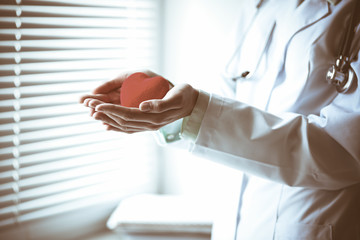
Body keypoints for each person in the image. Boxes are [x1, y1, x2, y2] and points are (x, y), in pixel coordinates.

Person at [80, 0, 360, 239]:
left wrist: (198, 110)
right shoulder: (259, 8)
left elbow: (343, 150)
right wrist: (167, 102)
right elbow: (227, 109)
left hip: (309, 225)